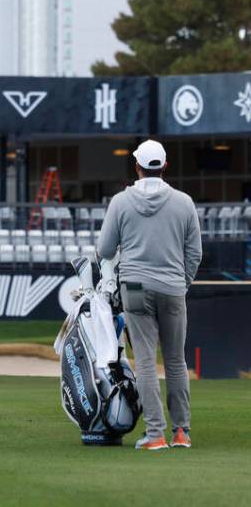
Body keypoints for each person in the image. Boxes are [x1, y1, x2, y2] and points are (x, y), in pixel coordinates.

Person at [97, 139, 202, 451]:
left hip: (134, 287)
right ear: (165, 166)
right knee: (175, 360)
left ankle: (155, 434)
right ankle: (181, 432)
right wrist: (181, 283)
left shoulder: (120, 202)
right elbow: (194, 253)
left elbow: (104, 250)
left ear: (137, 166)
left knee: (144, 361)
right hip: (172, 287)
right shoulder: (184, 202)